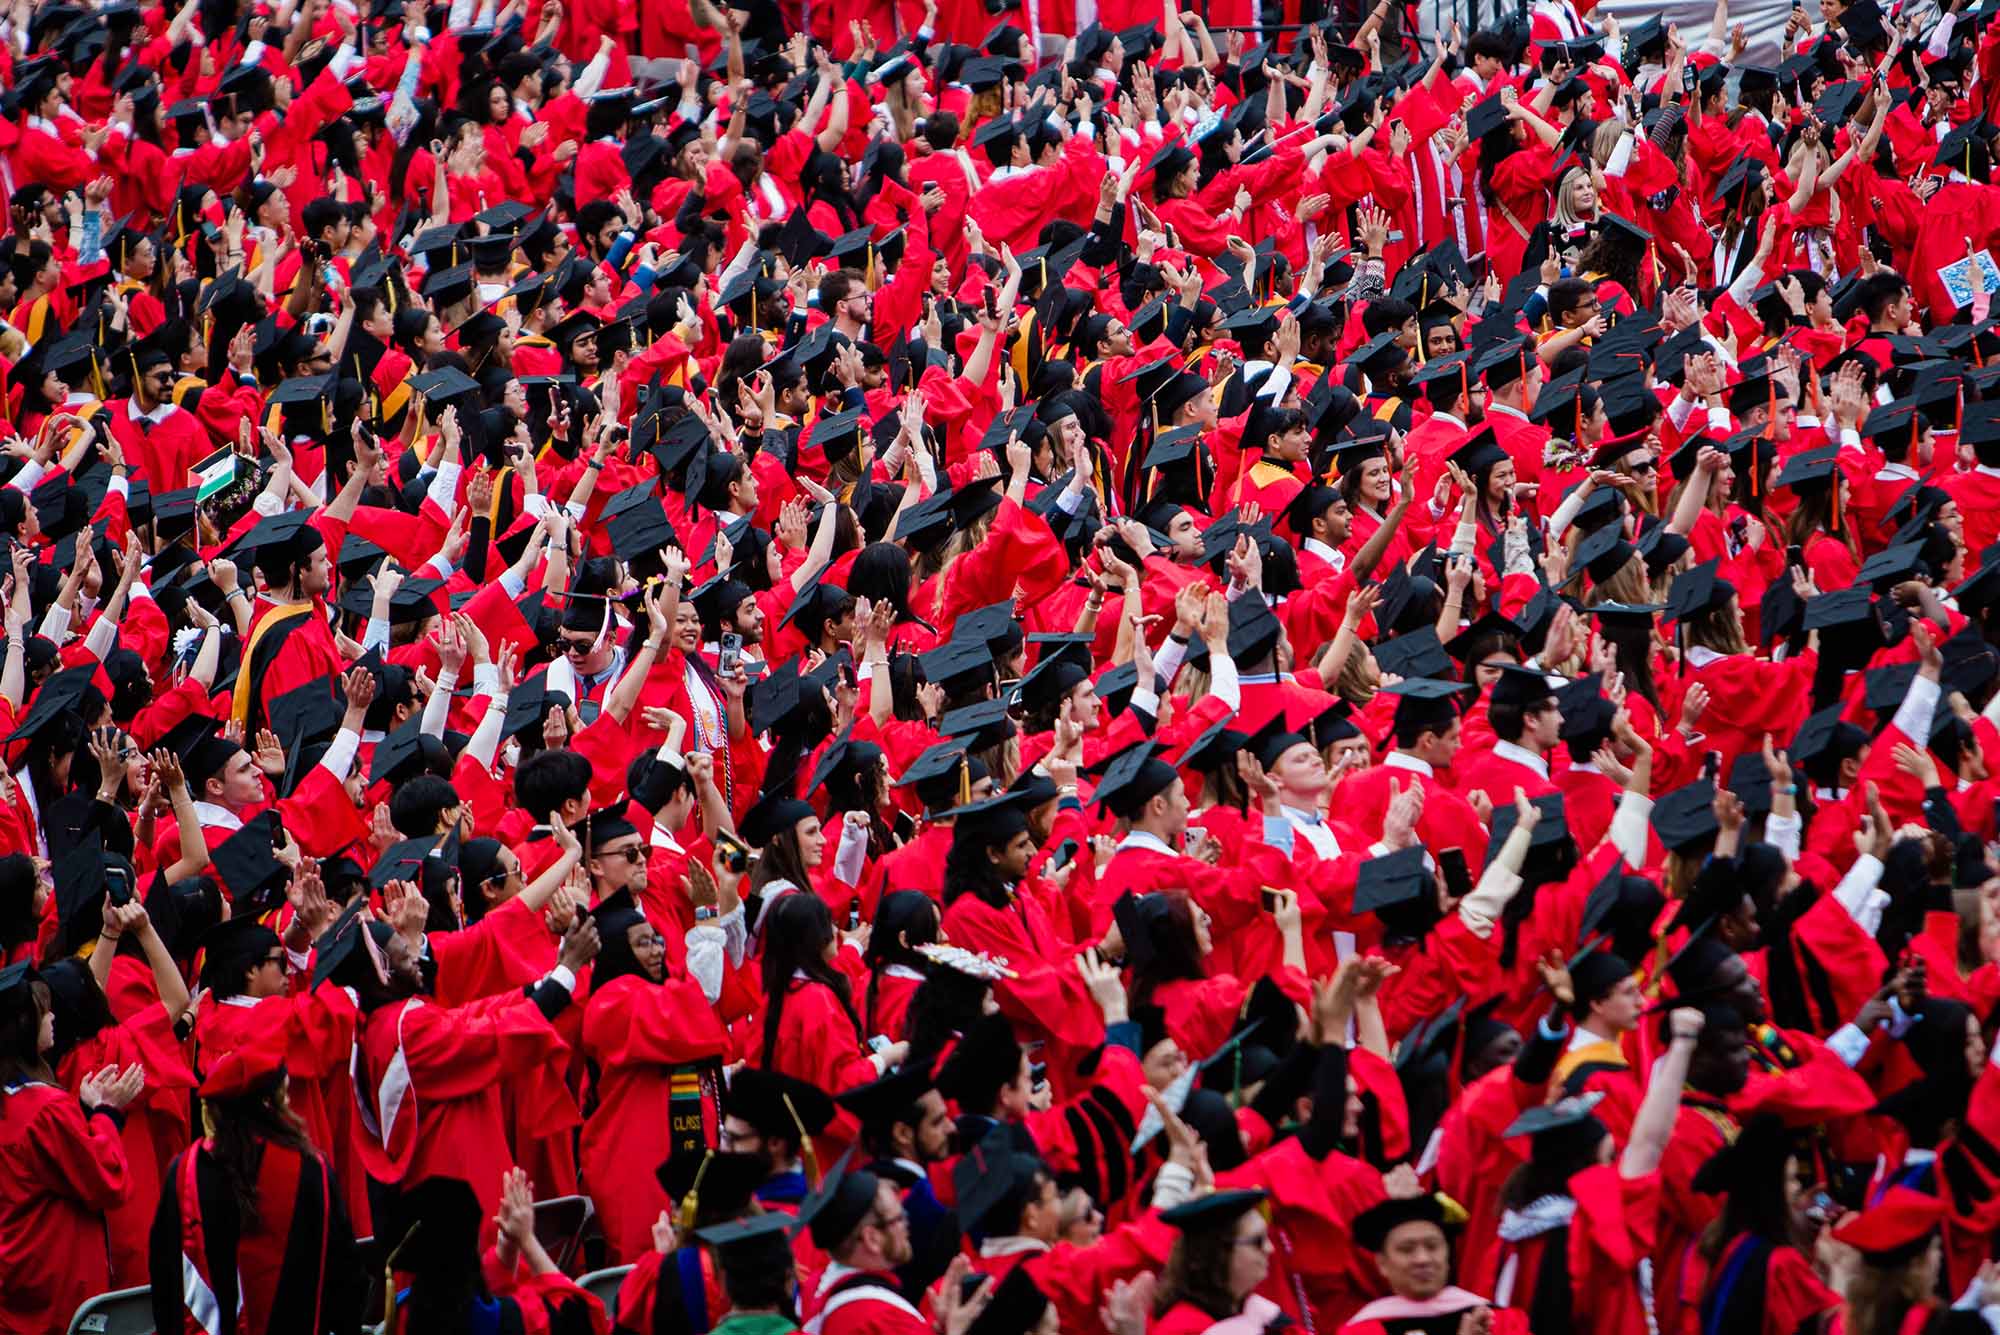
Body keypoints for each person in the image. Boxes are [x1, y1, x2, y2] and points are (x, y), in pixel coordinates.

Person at [148, 1028, 367, 1335]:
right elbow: (344, 1277)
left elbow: (165, 1279)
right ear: (268, 1104)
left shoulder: (184, 1173)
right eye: (284, 1095)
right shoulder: (310, 1169)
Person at [0, 961, 144, 1335]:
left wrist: (82, 1112)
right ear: (21, 1027)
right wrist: (106, 1114)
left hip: (16, 1275)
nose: (52, 1018)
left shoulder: (16, 1102)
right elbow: (104, 1179)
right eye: (42, 1011)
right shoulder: (44, 1109)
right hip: (55, 1281)